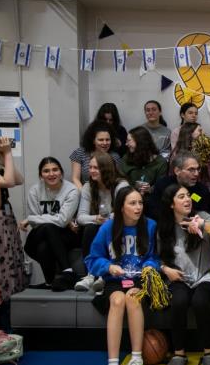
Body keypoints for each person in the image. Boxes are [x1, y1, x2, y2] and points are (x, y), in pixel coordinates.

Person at [84, 186, 159, 365]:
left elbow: (155, 257)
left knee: (133, 298)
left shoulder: (150, 226)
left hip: (140, 279)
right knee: (117, 301)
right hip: (115, 279)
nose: (138, 207)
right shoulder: (108, 228)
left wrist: (150, 267)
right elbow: (92, 258)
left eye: (140, 203)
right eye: (132, 203)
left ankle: (136, 360)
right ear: (121, 206)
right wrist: (108, 267)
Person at [157, 184, 210, 365]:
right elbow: (158, 258)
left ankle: (209, 352)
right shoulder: (164, 227)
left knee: (199, 301)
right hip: (179, 276)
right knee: (179, 301)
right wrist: (166, 269)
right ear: (171, 204)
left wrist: (204, 225)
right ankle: (179, 354)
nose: (187, 199)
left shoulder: (203, 216)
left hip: (208, 274)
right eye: (181, 197)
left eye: (188, 195)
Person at [20, 157, 80, 291]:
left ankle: (50, 282)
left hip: (67, 235)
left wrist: (30, 219)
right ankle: (67, 271)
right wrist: (33, 219)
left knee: (44, 245)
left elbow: (62, 220)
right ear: (41, 175)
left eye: (55, 170)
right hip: (41, 233)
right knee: (47, 229)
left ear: (61, 172)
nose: (51, 174)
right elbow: (37, 224)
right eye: (46, 171)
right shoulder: (34, 191)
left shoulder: (71, 190)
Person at [74, 152, 129, 291]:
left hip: (117, 226)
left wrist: (108, 219)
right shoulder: (88, 186)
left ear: (106, 169)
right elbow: (81, 217)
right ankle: (91, 274)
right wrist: (95, 218)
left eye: (96, 168)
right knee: (90, 228)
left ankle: (104, 275)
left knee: (106, 228)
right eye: (90, 167)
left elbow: (123, 212)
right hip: (97, 226)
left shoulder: (120, 185)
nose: (91, 171)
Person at [0, 136, 26, 330]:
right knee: (1, 272)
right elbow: (7, 181)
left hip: (5, 220)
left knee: (9, 268)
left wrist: (4, 156)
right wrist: (7, 152)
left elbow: (18, 179)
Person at [148, 152, 210, 220]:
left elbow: (204, 215)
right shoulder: (163, 185)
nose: (196, 174)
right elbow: (153, 211)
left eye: (198, 169)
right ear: (177, 171)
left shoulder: (202, 190)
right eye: (191, 170)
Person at [119, 126, 168, 208]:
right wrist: (133, 187)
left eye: (129, 141)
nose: (126, 144)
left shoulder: (160, 162)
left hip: (152, 202)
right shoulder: (126, 158)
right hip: (129, 199)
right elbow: (120, 179)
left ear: (140, 142)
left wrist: (150, 189)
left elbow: (162, 186)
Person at [70, 120, 121, 189]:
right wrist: (85, 194)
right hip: (84, 192)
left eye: (107, 139)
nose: (105, 143)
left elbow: (116, 180)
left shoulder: (115, 156)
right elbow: (75, 179)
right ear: (93, 140)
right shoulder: (80, 153)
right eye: (101, 140)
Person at [169, 122, 210, 191]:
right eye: (200, 130)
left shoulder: (208, 144)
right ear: (190, 133)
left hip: (202, 188)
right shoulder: (177, 153)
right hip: (181, 188)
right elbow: (172, 176)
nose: (203, 133)